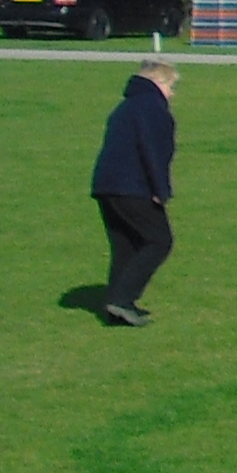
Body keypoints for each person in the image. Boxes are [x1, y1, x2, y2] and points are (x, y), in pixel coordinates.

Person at [90, 60, 179, 326]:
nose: (172, 93)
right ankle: (122, 300)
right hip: (133, 186)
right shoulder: (152, 108)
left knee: (126, 245)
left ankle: (116, 307)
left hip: (105, 186)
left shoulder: (126, 106)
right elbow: (154, 152)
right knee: (159, 240)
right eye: (170, 86)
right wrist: (160, 190)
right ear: (158, 83)